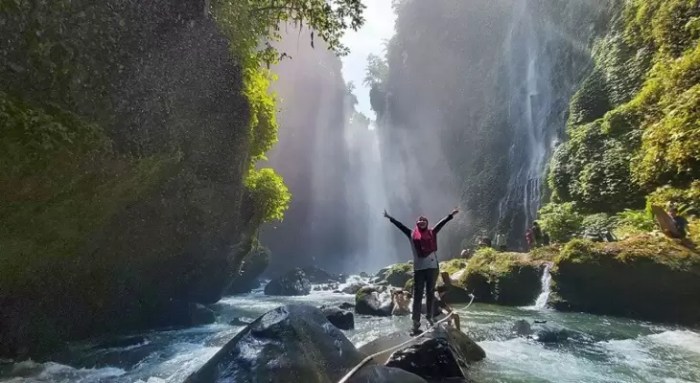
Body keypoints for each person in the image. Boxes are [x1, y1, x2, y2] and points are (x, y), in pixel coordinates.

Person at [384, 208, 459, 335]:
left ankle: (429, 316)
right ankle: (416, 321)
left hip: (432, 268)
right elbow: (400, 226)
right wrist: (390, 218)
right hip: (419, 269)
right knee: (418, 296)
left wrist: (451, 215)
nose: (422, 222)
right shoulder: (412, 234)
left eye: (424, 220)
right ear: (417, 223)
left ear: (427, 223)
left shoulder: (432, 232)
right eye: (420, 220)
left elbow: (442, 223)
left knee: (430, 293)